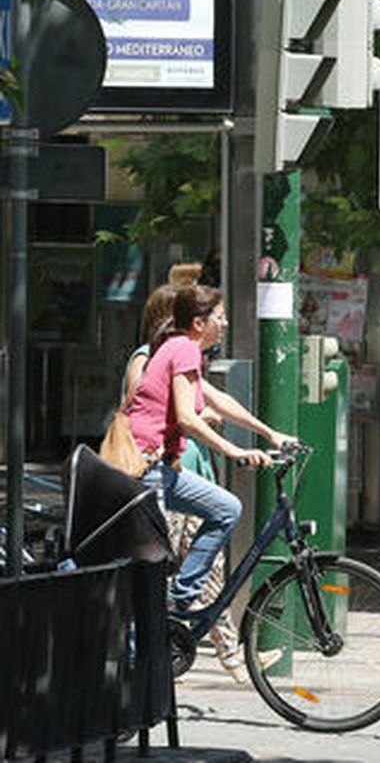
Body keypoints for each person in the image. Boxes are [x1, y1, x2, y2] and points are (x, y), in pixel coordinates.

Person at [124, 285, 287, 681]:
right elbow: (187, 417)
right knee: (147, 563)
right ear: (199, 323)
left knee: (226, 508)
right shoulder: (181, 349)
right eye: (220, 316)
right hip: (146, 470)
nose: (226, 323)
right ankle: (141, 657)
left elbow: (216, 400)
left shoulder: (182, 350)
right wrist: (235, 452)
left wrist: (270, 433)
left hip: (161, 468)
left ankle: (178, 599)